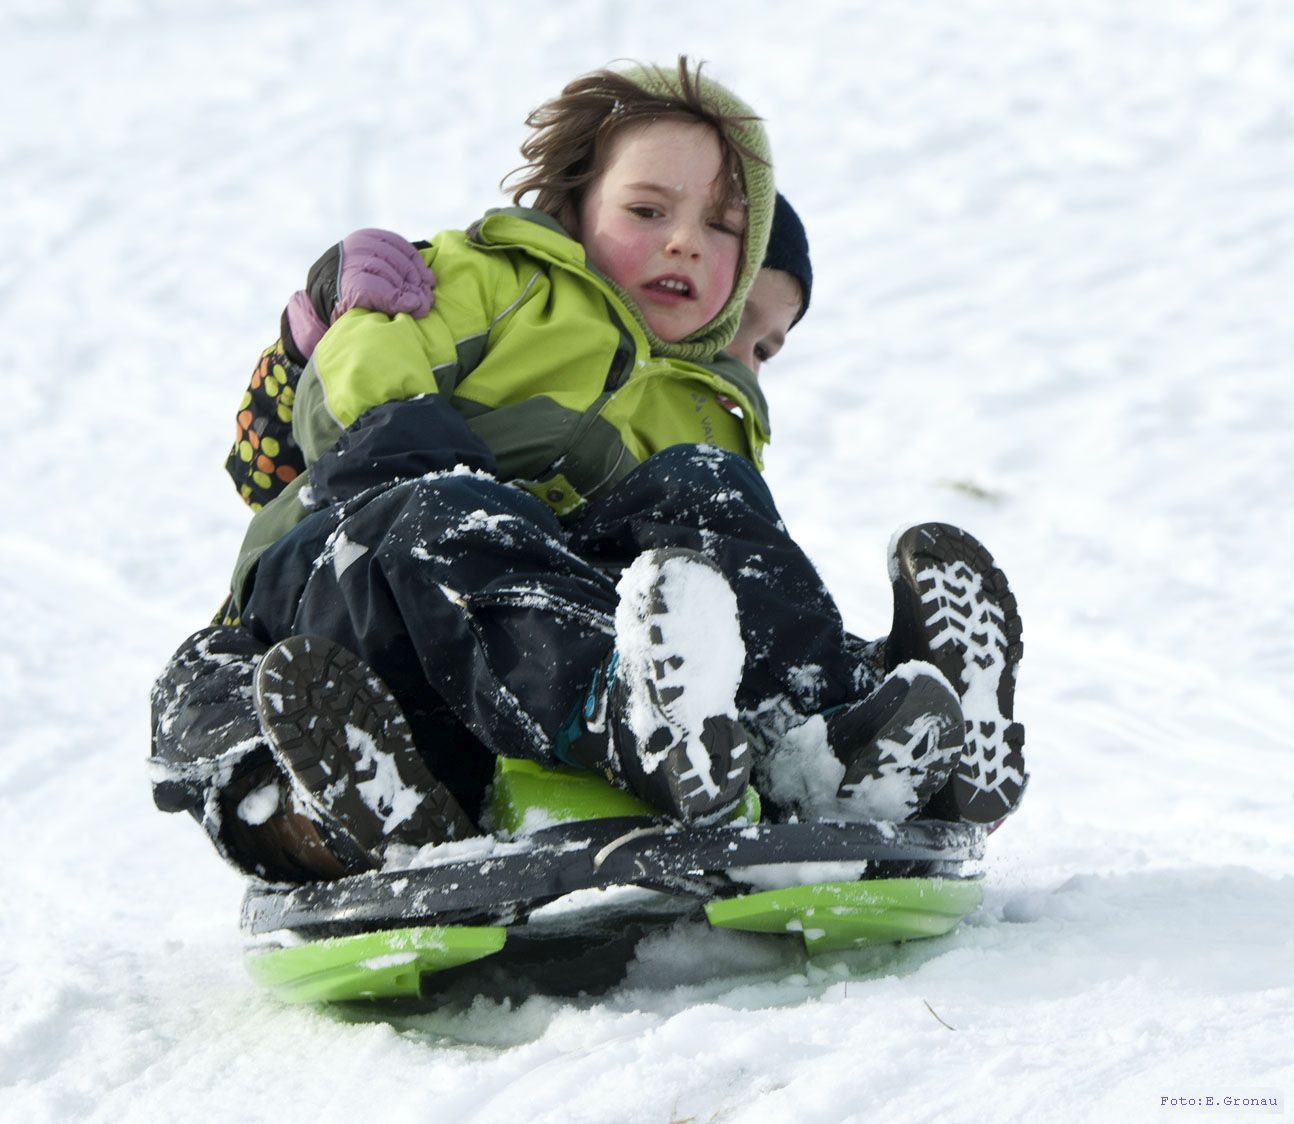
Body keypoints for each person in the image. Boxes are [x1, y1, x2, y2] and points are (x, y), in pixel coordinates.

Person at [151, 60, 1024, 883]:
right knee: (299, 656)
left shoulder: (704, 410)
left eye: (721, 229)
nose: (684, 242)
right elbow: (362, 372)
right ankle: (351, 812)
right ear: (573, 205)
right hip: (355, 597)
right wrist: (394, 422)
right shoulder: (494, 277)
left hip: (536, 663)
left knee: (711, 500)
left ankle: (839, 745)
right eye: (649, 211)